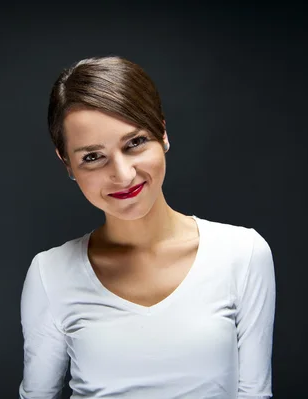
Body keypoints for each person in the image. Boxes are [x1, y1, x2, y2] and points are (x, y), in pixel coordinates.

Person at [18, 55, 276, 399]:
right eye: (92, 157)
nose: (123, 174)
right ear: (67, 163)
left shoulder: (243, 254)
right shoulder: (50, 272)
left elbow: (254, 393)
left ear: (163, 133)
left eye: (135, 142)